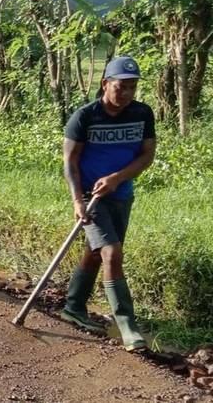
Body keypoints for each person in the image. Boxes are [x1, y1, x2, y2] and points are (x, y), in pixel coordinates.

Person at [60, 56, 155, 352]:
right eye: (120, 86)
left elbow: (146, 155)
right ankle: (127, 324)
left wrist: (118, 178)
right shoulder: (85, 116)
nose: (126, 93)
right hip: (91, 195)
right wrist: (78, 199)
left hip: (121, 194)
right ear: (105, 84)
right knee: (112, 253)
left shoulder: (142, 113)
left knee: (97, 250)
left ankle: (74, 306)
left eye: (132, 87)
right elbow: (70, 161)